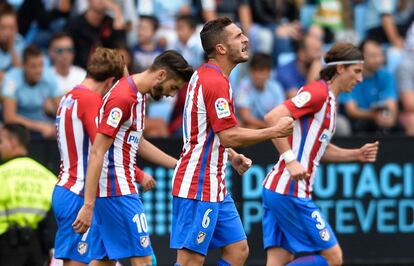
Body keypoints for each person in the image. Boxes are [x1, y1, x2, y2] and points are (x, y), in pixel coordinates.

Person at [171, 17, 294, 266]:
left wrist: (230, 154)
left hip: (214, 183)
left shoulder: (209, 76)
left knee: (238, 250)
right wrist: (274, 131)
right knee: (190, 261)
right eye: (238, 36)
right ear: (221, 48)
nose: (246, 39)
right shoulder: (215, 81)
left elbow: (208, 133)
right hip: (198, 184)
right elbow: (228, 134)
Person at [262, 42, 379, 266]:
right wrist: (291, 161)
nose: (360, 78)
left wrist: (356, 154)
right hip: (290, 191)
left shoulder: (331, 103)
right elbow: (272, 119)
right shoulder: (317, 92)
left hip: (279, 190)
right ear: (340, 69)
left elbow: (317, 150)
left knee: (280, 260)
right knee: (333, 257)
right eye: (356, 71)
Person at [72, 50, 194, 266]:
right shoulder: (123, 97)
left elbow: (137, 142)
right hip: (117, 191)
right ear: (161, 75)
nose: (172, 95)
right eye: (173, 87)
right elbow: (97, 151)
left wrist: (177, 165)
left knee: (103, 262)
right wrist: (88, 204)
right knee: (145, 261)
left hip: (113, 190)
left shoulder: (138, 95)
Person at [52, 47, 124, 266]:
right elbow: (100, 148)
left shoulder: (68, 97)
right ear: (110, 82)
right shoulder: (91, 100)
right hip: (79, 193)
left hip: (67, 188)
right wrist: (137, 174)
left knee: (105, 259)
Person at [0, 123, 56, 266]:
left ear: (13, 142)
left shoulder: (2, 174)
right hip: (38, 247)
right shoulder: (47, 176)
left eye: (1, 142)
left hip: (5, 247)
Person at [2, 44, 60, 139]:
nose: (38, 70)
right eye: (33, 66)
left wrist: (52, 111)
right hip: (18, 131)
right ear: (23, 66)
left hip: (44, 130)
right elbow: (9, 117)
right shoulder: (11, 80)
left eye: (41, 65)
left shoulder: (49, 77)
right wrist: (39, 126)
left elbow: (60, 111)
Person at [341, 39, 399, 135]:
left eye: (380, 55)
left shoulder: (386, 76)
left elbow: (391, 102)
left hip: (380, 118)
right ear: (361, 57)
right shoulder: (349, 76)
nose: (378, 59)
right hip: (357, 121)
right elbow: (351, 110)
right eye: (373, 56)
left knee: (396, 126)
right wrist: (373, 116)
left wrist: (390, 117)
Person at [235, 53, 285, 129]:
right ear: (250, 71)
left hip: (269, 125)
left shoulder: (275, 87)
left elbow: (281, 113)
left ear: (269, 72)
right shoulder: (244, 86)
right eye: (255, 70)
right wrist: (269, 127)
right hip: (251, 126)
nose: (257, 75)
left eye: (261, 71)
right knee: (251, 127)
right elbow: (246, 117)